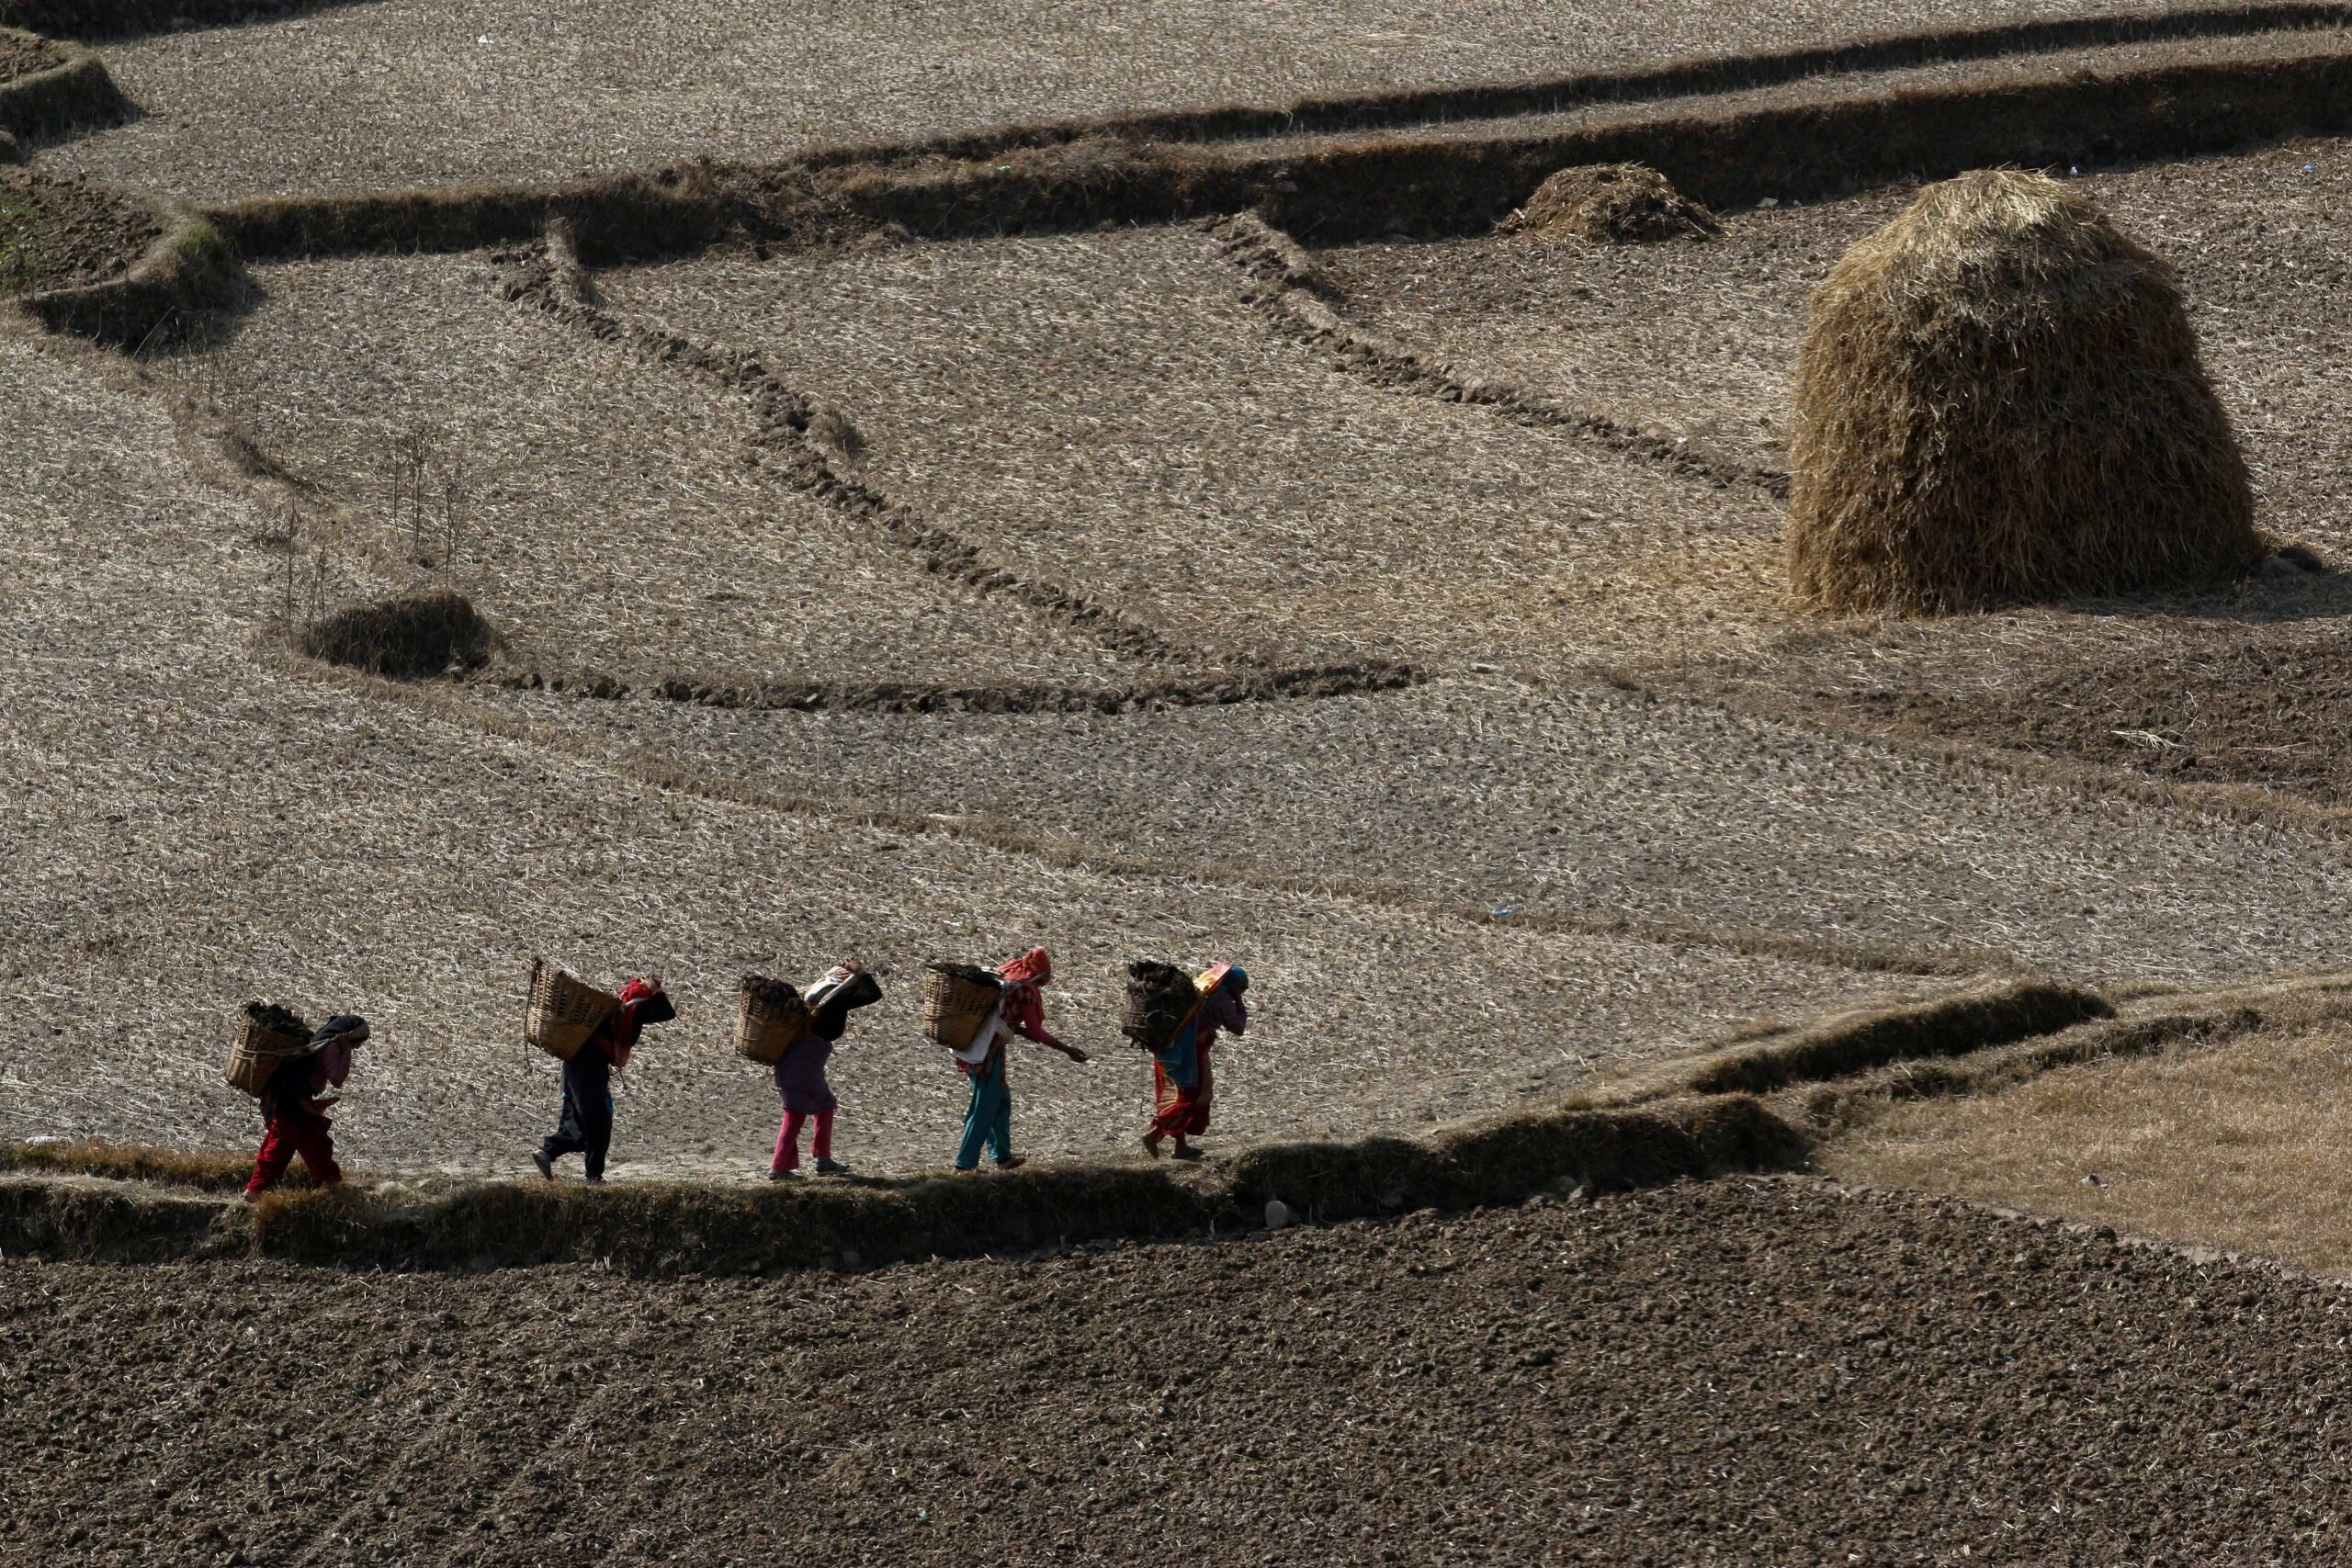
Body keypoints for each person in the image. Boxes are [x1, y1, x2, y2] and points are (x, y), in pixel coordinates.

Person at [953, 947, 1087, 1172]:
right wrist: (1067, 1049)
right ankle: (964, 1165)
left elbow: (1003, 1016)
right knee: (984, 1105)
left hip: (971, 1043)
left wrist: (1019, 1030)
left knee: (1001, 1100)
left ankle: (1002, 1156)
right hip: (987, 1050)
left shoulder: (1007, 977)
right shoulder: (1025, 988)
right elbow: (1036, 1031)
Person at [534, 976, 673, 1183]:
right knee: (599, 1121)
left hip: (573, 1068)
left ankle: (547, 1153)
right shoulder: (634, 1007)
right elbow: (667, 1012)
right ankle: (593, 1176)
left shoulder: (617, 1005)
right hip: (588, 1070)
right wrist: (655, 991)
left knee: (576, 1121)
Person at [770, 961, 882, 1180]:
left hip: (794, 1067)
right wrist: (861, 973)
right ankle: (782, 1167)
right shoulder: (833, 999)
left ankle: (819, 1159)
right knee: (798, 1114)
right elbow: (873, 994)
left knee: (822, 1106)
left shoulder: (813, 996)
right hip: (803, 1068)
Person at [244, 1013, 368, 1200]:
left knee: (278, 1148)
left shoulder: (318, 1042)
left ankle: (254, 1190)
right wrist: (346, 1050)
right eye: (358, 1041)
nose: (358, 1046)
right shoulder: (331, 1046)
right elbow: (337, 1079)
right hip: (291, 1105)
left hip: (282, 1101)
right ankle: (333, 1186)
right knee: (316, 1144)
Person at [1143, 964, 1249, 1161]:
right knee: (1195, 1096)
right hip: (1189, 1053)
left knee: (1174, 1096)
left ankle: (1180, 1146)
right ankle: (1156, 1131)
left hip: (1168, 1050)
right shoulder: (1222, 999)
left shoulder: (1201, 991)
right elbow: (1238, 1028)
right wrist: (1239, 1001)